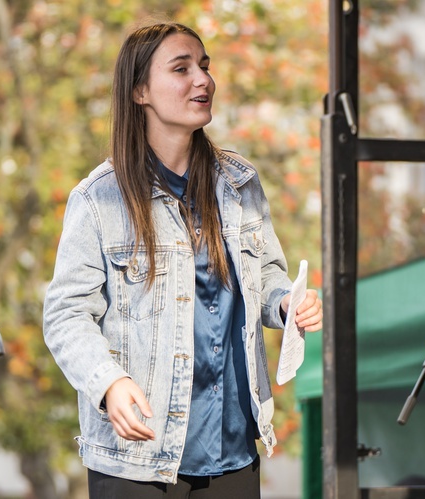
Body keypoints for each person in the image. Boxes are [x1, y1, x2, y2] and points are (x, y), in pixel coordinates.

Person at [42, 20, 322, 499]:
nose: (203, 80)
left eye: (205, 66)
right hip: (137, 460)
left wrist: (285, 304)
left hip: (234, 449)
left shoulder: (241, 184)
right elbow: (66, 315)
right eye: (181, 68)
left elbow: (266, 276)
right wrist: (109, 384)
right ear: (139, 92)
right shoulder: (98, 200)